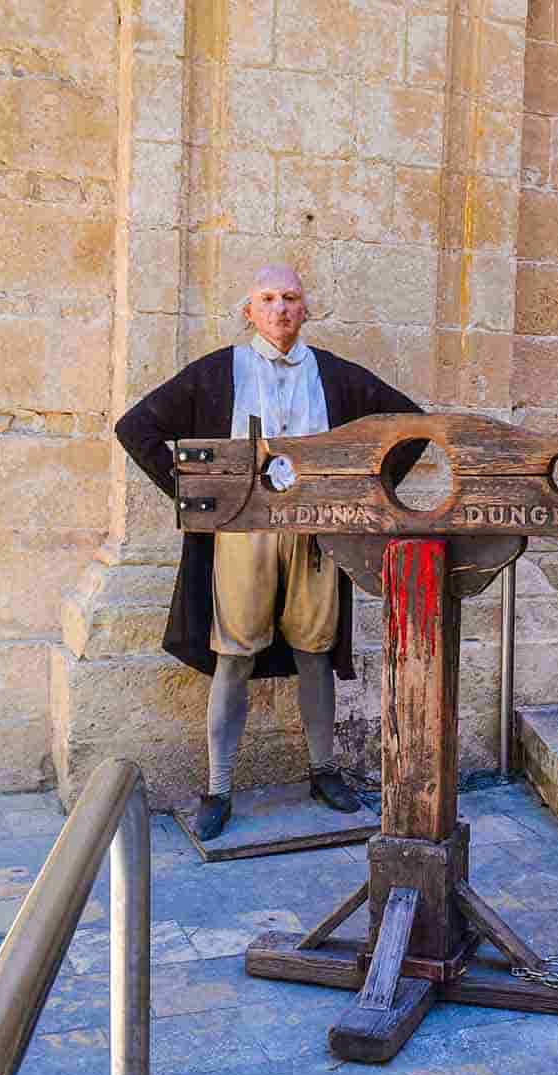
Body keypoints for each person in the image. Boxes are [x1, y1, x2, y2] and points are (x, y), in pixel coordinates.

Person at [116, 265, 424, 840]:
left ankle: (322, 770)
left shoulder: (334, 375)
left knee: (316, 649)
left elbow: (412, 426)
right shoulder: (219, 371)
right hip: (241, 537)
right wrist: (196, 497)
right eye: (267, 299)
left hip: (313, 536)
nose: (280, 308)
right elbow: (136, 428)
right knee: (233, 655)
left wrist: (366, 496)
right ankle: (219, 786)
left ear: (305, 310)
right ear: (248, 311)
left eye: (291, 298)